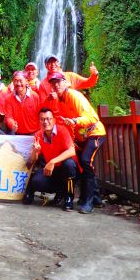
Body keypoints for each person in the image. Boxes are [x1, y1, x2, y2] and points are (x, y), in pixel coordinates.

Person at [48, 72, 106, 214]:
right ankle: (96, 198)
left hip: (94, 132)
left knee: (86, 161)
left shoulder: (74, 95)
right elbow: (62, 120)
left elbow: (90, 117)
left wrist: (75, 121)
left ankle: (88, 202)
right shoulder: (59, 100)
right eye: (53, 83)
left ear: (65, 83)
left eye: (59, 82)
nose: (56, 85)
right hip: (81, 137)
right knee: (80, 163)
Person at [23, 108, 79, 211]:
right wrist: (35, 151)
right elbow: (32, 161)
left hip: (66, 169)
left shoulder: (62, 130)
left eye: (48, 119)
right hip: (52, 171)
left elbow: (72, 151)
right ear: (39, 121)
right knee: (36, 181)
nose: (45, 122)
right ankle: (60, 192)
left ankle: (69, 198)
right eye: (42, 119)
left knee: (69, 164)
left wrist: (52, 161)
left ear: (54, 120)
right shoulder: (38, 135)